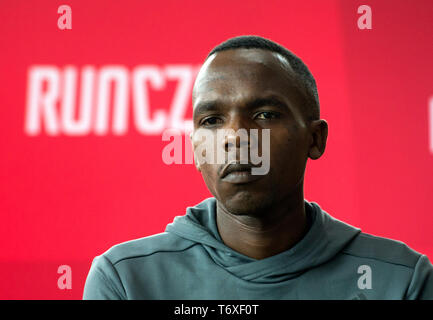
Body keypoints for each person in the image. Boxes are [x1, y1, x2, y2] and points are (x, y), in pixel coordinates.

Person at [83, 35, 433, 299]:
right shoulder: (126, 281)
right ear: (195, 149)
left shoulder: (400, 279)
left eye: (265, 115)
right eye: (212, 120)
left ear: (315, 139)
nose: (235, 137)